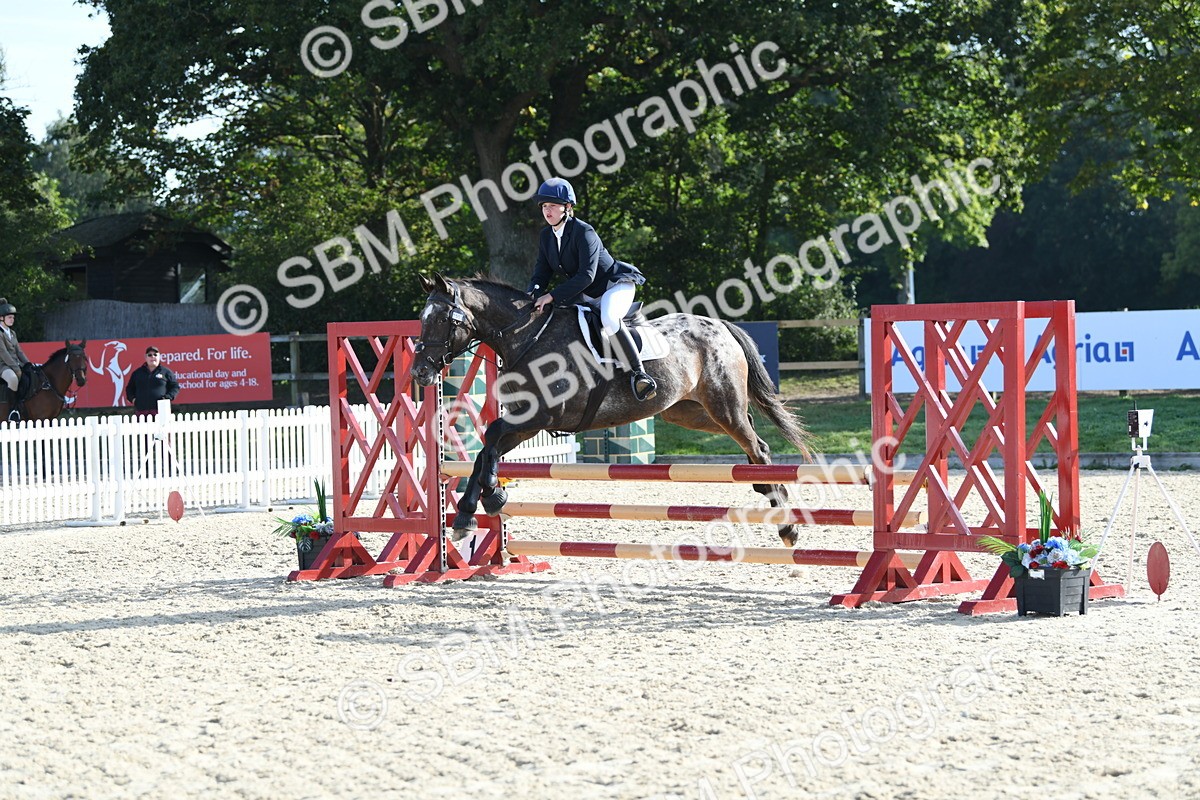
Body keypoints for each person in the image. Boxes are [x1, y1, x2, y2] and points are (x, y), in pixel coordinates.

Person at [526, 177, 658, 401]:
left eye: (552, 206)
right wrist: (533, 292)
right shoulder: (546, 236)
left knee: (608, 318)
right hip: (586, 292)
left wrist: (552, 295)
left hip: (613, 285)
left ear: (567, 207)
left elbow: (586, 275)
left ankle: (639, 375)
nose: (547, 211)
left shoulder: (584, 232)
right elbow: (541, 272)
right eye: (544, 206)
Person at [125, 345, 180, 415]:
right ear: (146, 357)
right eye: (150, 355)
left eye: (155, 355)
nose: (152, 357)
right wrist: (133, 399)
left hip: (161, 411)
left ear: (159, 357)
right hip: (141, 411)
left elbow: (175, 387)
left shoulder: (166, 372)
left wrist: (167, 397)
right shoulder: (137, 373)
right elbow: (129, 388)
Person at [0, 298, 30, 422]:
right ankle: (13, 410)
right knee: (13, 378)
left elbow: (19, 351)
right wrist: (16, 368)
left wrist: (28, 364)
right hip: (2, 365)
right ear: (1, 318)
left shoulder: (12, 333)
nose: (12, 319)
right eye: (9, 317)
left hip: (13, 364)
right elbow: (3, 353)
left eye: (13, 317)